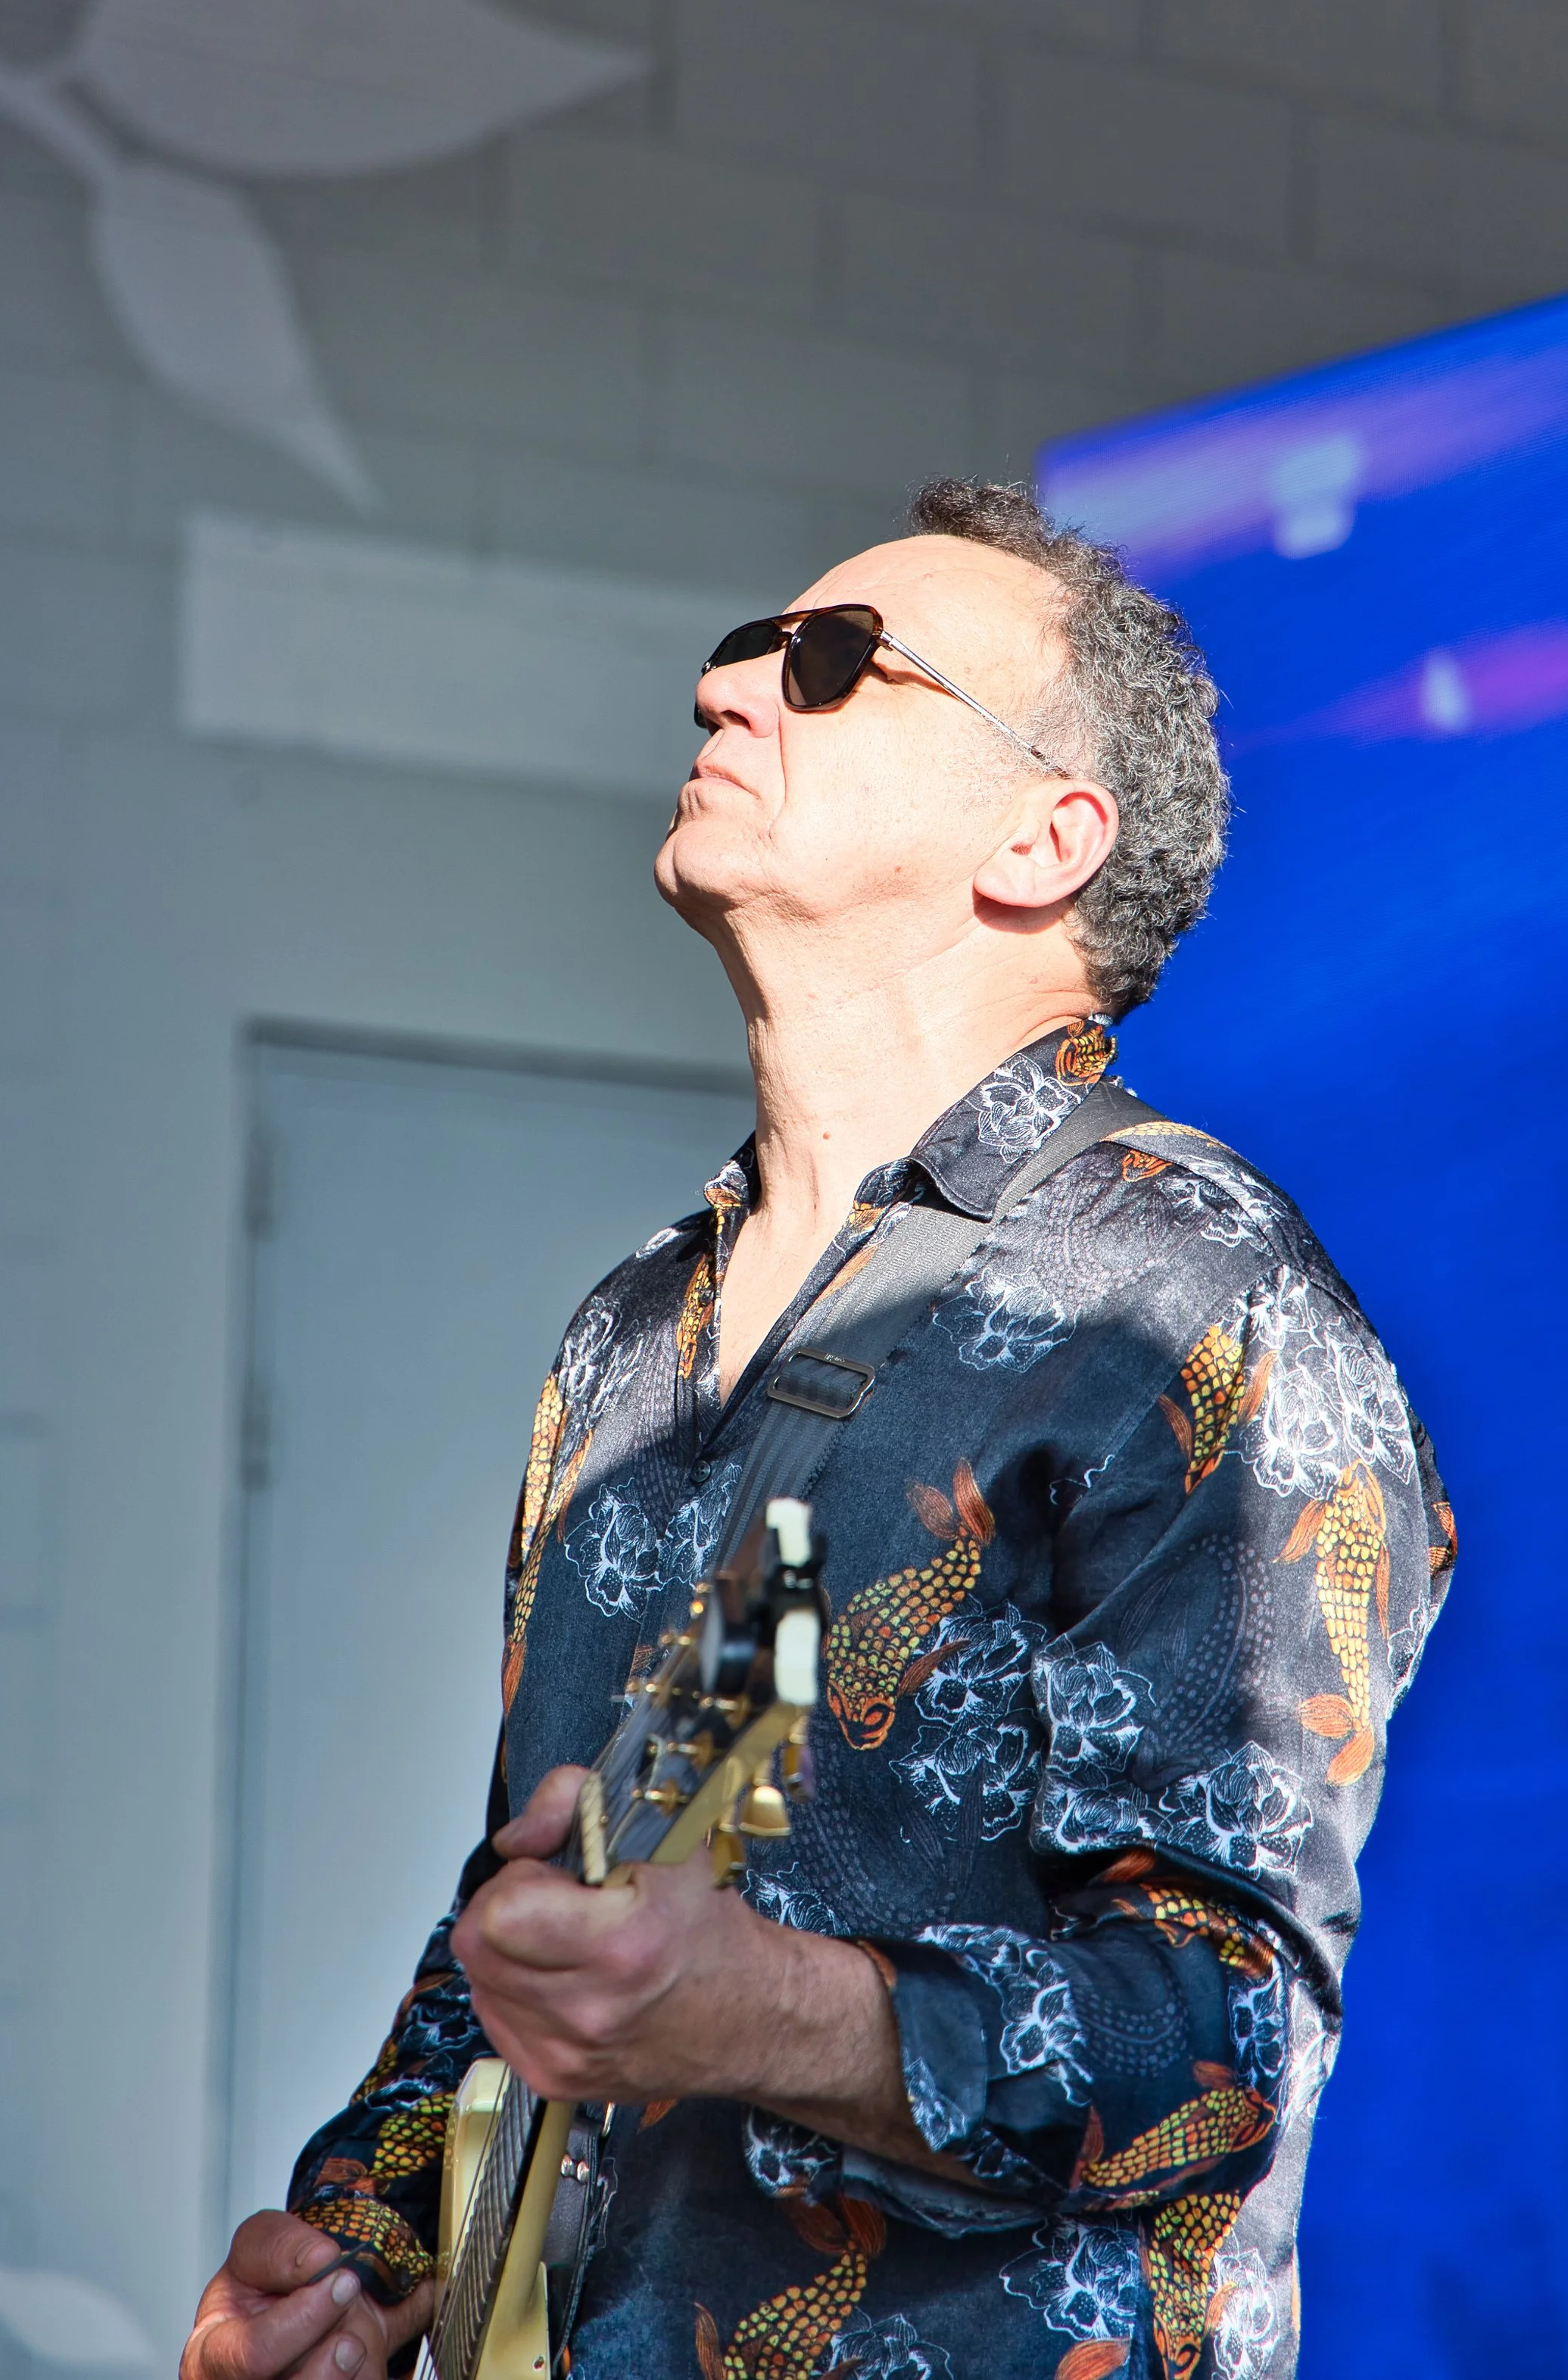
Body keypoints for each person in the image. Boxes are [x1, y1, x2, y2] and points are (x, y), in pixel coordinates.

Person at [182, 479, 1454, 2380]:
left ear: (1045, 839)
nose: (731, 694)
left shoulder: (1190, 1305)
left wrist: (753, 2011)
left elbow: (1215, 2039)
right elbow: (581, 1902)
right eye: (739, 652)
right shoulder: (637, 1328)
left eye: (838, 664)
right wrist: (368, 2256)